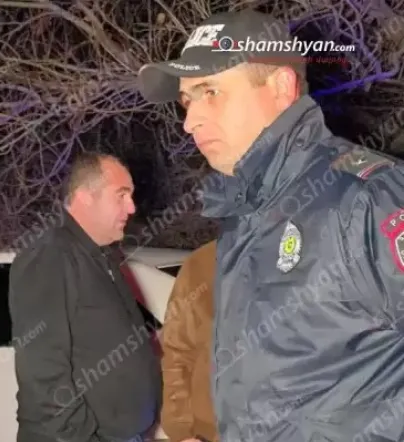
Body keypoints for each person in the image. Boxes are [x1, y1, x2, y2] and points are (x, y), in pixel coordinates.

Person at [137, 8, 404, 442]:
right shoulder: (245, 219)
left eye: (210, 92)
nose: (189, 121)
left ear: (281, 86)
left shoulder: (366, 199)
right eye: (187, 100)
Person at [9, 152, 162, 442]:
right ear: (85, 197)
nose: (132, 207)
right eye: (121, 195)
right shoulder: (51, 256)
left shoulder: (101, 257)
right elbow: (43, 373)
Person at [160, 240, 218, 442]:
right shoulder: (202, 263)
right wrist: (181, 430)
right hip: (209, 433)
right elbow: (177, 352)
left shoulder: (301, 260)